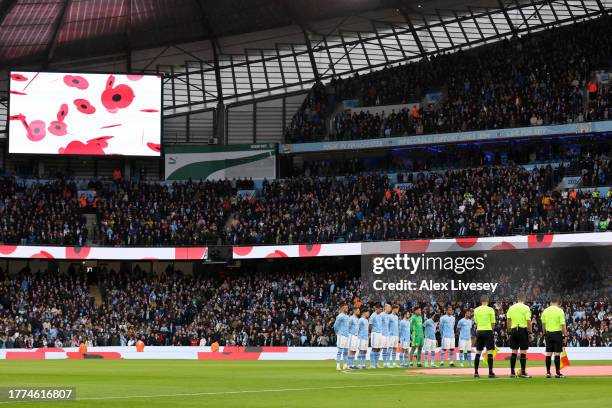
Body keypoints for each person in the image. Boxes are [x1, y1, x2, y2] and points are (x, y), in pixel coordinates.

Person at [541, 294, 567, 378]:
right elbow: (563, 325)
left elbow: (543, 324)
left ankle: (548, 373)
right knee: (557, 354)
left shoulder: (545, 311)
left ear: (550, 301)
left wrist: (544, 333)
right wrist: (565, 335)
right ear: (558, 302)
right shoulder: (560, 311)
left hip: (548, 334)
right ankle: (557, 373)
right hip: (557, 334)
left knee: (548, 354)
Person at [507, 293, 532, 378]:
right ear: (523, 299)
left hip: (514, 330)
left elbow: (508, 321)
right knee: (523, 352)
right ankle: (523, 372)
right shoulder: (526, 308)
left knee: (514, 352)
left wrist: (509, 331)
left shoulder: (511, 308)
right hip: (522, 330)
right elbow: (528, 321)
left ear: (517, 299)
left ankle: (512, 373)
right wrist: (530, 332)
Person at [473, 294, 496, 378]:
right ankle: (490, 372)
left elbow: (476, 322)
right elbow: (493, 323)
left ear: (480, 301)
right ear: (488, 301)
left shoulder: (476, 310)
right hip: (488, 330)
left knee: (478, 351)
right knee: (489, 351)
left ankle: (476, 372)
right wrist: (491, 330)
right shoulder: (491, 310)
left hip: (479, 331)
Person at [333, 303, 350, 370]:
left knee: (346, 351)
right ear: (342, 308)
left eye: (347, 307)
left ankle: (345, 365)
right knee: (340, 351)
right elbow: (335, 325)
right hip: (341, 335)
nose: (347, 309)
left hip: (346, 335)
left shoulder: (347, 316)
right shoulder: (340, 316)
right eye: (345, 308)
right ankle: (338, 365)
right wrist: (337, 332)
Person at [369, 304, 384, 368]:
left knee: (379, 348)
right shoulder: (373, 315)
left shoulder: (380, 315)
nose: (381, 310)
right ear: (377, 308)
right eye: (380, 309)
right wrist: (370, 332)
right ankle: (372, 364)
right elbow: (370, 325)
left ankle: (376, 363)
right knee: (374, 348)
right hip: (375, 333)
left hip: (380, 333)